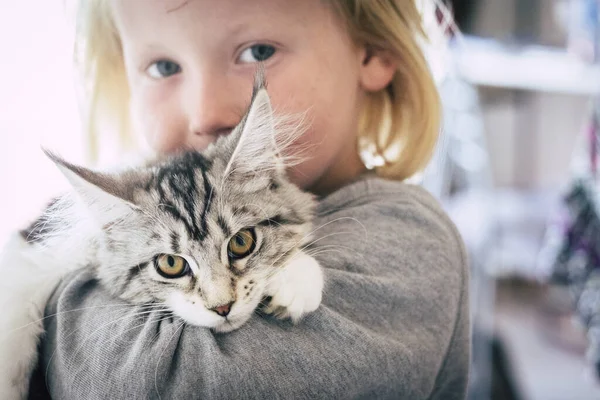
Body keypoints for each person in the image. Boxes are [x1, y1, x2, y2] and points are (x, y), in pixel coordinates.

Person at [28, 0, 470, 398]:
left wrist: (64, 298)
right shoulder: (154, 204)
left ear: (373, 50)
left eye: (258, 52)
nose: (206, 114)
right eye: (164, 67)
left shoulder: (408, 239)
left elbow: (140, 383)